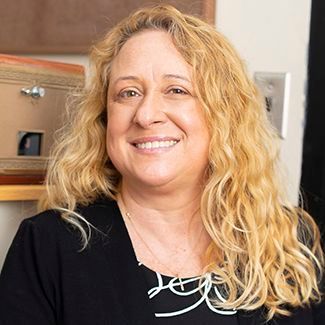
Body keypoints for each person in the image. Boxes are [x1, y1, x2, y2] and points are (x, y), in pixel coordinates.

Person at [0, 4, 324, 325]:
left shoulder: (289, 241)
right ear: (104, 118)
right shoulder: (48, 245)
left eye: (176, 90)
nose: (145, 115)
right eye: (128, 93)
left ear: (224, 114)